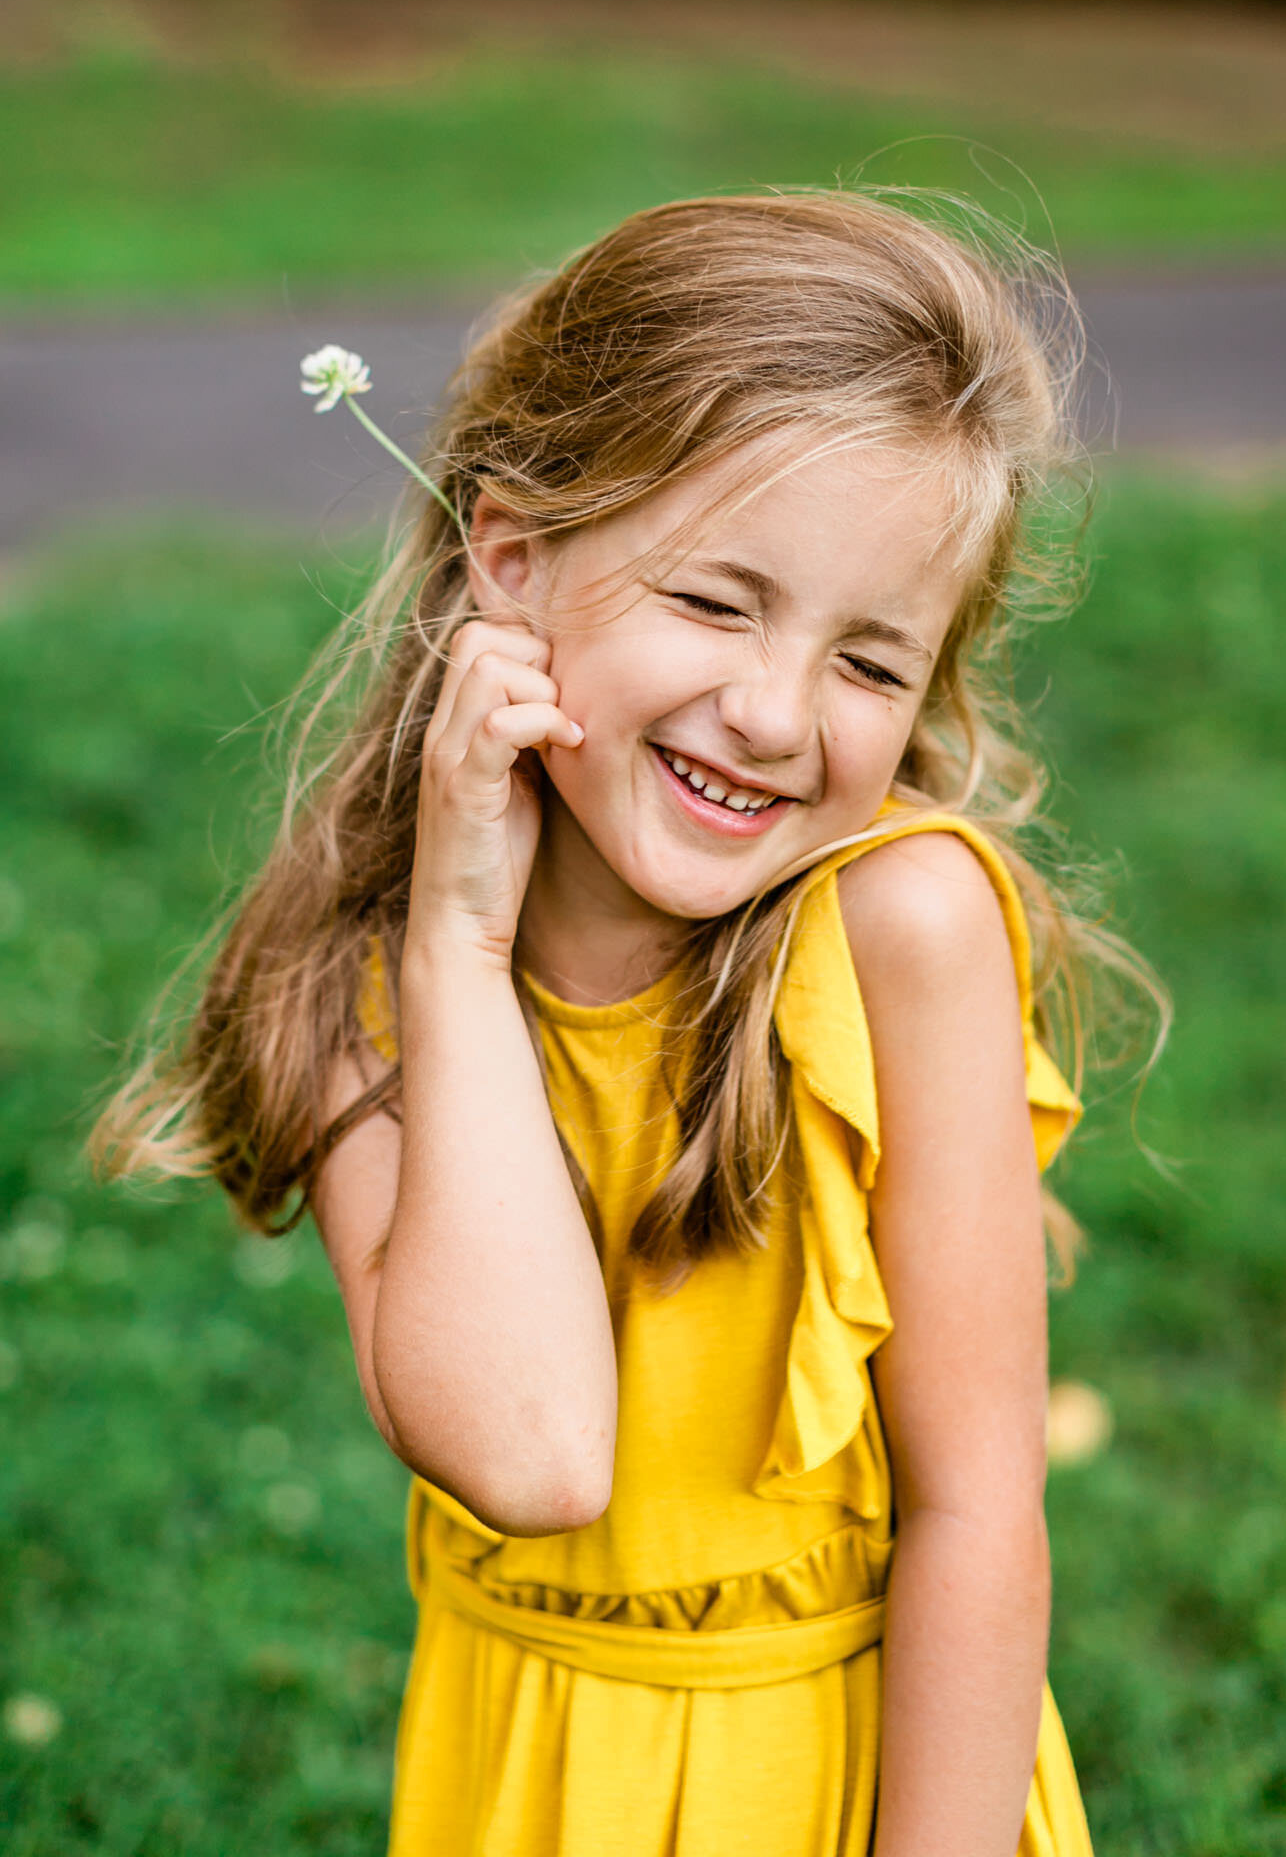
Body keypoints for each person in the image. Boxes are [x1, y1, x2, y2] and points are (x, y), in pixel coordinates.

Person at [93, 189, 1162, 1856]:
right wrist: (456, 941)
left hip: (843, 1763)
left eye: (872, 664)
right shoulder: (347, 982)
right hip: (521, 1771)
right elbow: (531, 1457)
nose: (774, 713)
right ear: (510, 561)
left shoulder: (899, 932)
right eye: (719, 602)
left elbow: (976, 1513)